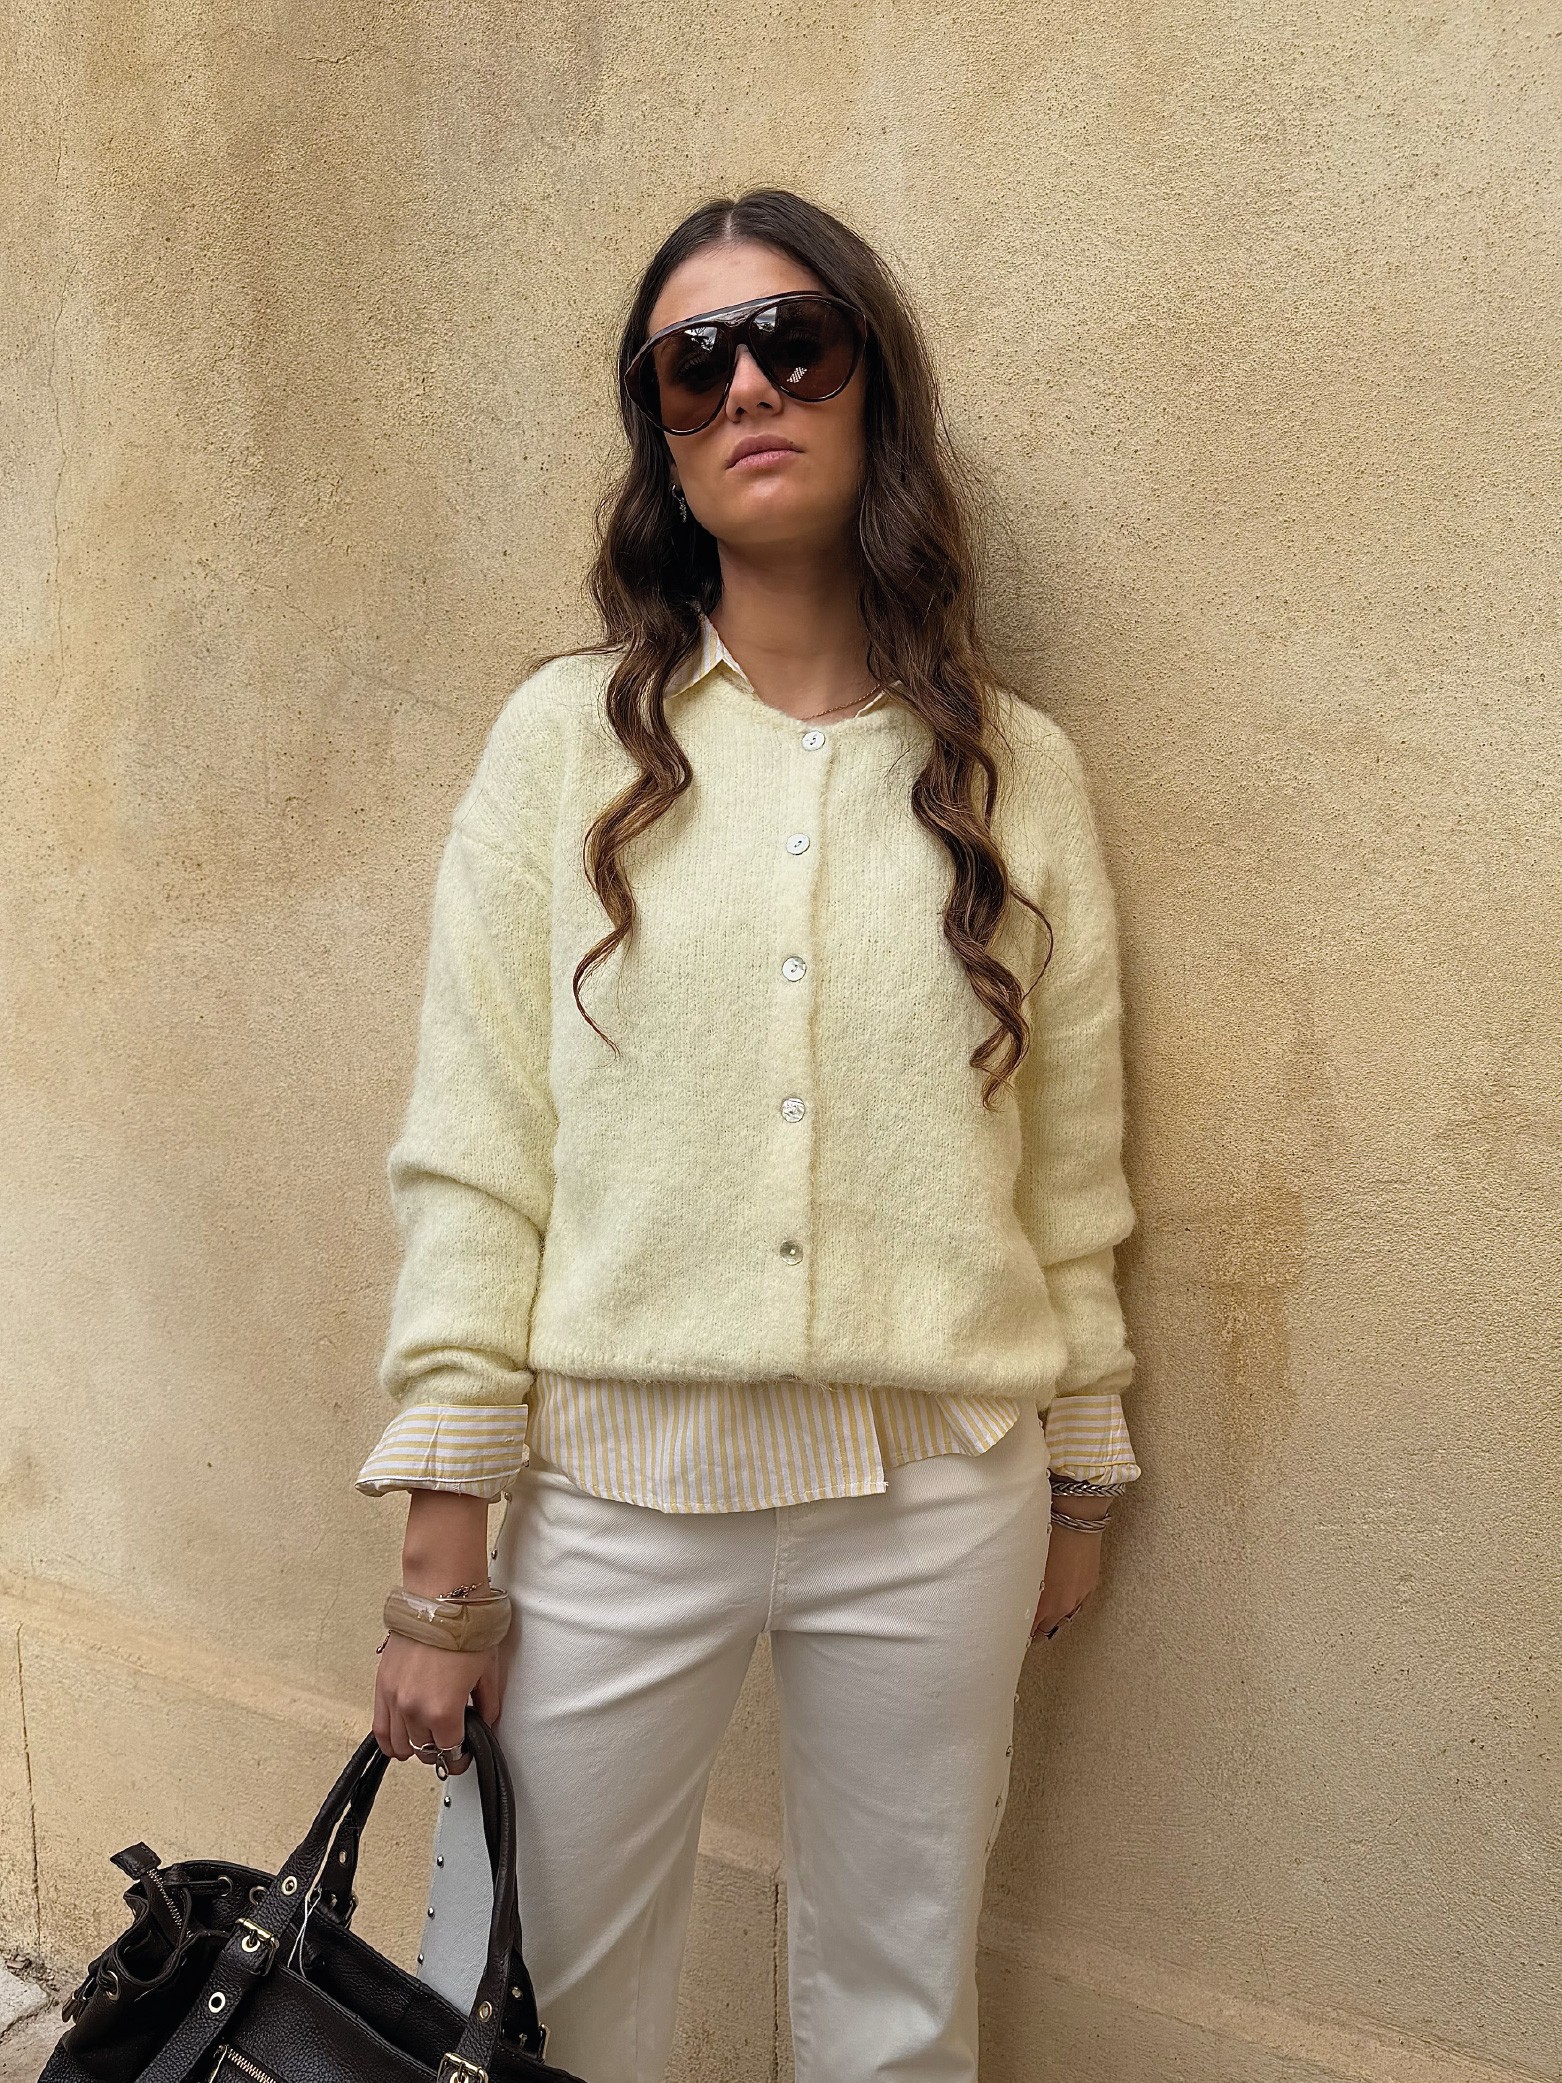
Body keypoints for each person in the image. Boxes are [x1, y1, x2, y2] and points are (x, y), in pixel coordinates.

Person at [358, 185, 1141, 2083]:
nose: (745, 390)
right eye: (689, 364)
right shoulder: (565, 744)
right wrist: (445, 1563)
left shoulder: (1014, 769)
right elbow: (477, 1136)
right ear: (659, 428)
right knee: (519, 1999)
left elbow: (1065, 1157)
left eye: (794, 340)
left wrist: (1079, 1469)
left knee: (898, 2008)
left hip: (939, 1492)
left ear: (874, 384)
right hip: (622, 1491)